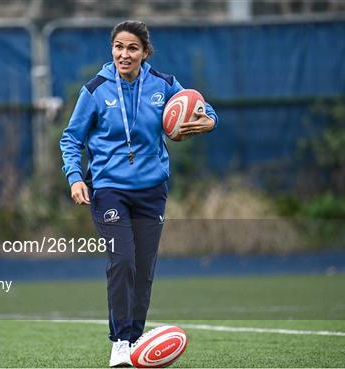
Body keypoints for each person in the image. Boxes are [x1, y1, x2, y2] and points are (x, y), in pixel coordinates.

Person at [60, 20, 218, 367]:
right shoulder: (96, 89)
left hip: (151, 191)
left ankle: (134, 338)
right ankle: (119, 341)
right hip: (108, 189)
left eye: (132, 48)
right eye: (118, 47)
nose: (124, 54)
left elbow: (203, 109)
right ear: (111, 50)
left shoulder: (163, 84)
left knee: (144, 269)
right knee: (123, 261)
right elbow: (71, 138)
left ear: (145, 52)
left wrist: (208, 122)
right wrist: (75, 178)